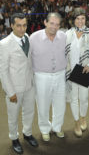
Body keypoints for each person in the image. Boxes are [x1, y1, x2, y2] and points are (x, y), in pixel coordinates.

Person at [0, 13, 38, 154]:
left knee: (29, 111)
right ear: (12, 26)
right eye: (18, 26)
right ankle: (14, 138)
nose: (22, 29)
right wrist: (10, 92)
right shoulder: (4, 44)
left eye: (24, 25)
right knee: (13, 115)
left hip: (29, 84)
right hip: (14, 87)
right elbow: (2, 71)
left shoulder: (27, 38)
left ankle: (27, 133)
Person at [29, 12, 67, 142]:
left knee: (60, 103)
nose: (54, 27)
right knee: (43, 104)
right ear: (45, 22)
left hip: (60, 75)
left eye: (57, 24)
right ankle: (45, 129)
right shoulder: (33, 38)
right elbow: (28, 58)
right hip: (41, 76)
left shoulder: (63, 36)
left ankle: (57, 127)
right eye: (51, 23)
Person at [65, 8, 89, 137]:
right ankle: (76, 122)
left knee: (84, 98)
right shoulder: (67, 34)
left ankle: (83, 116)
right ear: (73, 20)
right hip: (72, 71)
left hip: (84, 70)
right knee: (73, 98)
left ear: (86, 19)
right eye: (77, 18)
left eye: (82, 18)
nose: (80, 21)